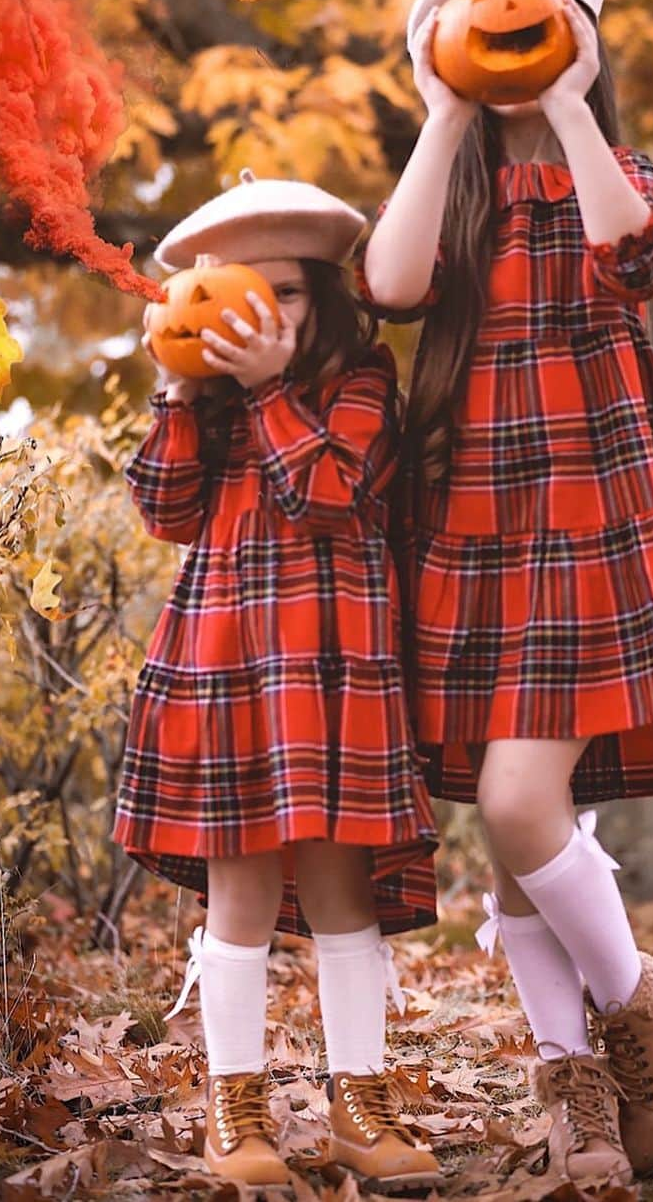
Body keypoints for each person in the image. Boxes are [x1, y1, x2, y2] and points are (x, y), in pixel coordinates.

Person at [359, 0, 653, 1187]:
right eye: (483, 25)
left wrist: (570, 106)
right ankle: (569, 1082)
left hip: (592, 512)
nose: (514, 37)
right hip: (471, 518)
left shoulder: (619, 171)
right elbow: (389, 281)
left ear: (585, 39)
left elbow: (636, 255)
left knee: (527, 808)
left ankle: (644, 1003)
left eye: (544, 23)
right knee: (518, 823)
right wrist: (440, 108)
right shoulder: (457, 189)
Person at [114, 172, 440, 1190]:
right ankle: (234, 1105)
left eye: (289, 292)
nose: (263, 311)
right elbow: (163, 510)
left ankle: (360, 1101)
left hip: (334, 666)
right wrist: (178, 388)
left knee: (345, 892)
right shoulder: (206, 400)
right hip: (225, 663)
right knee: (240, 892)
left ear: (329, 299)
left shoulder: (362, 381)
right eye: (240, 288)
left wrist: (264, 389)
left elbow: (331, 490)